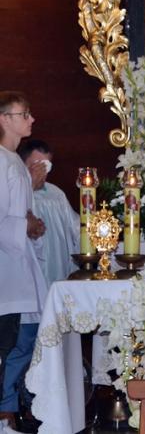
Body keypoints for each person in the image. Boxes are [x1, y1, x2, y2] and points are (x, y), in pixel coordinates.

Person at [0, 92, 47, 429]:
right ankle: (4, 414)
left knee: (25, 342)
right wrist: (24, 226)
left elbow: (20, 214)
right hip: (7, 272)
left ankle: (10, 410)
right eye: (24, 114)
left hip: (22, 268)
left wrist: (33, 226)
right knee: (11, 346)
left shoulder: (14, 160)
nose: (31, 119)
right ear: (4, 119)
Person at [17, 139, 79, 286]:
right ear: (22, 165)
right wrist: (30, 184)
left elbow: (75, 226)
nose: (42, 172)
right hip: (29, 272)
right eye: (36, 166)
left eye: (46, 166)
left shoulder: (56, 193)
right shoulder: (15, 191)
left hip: (59, 268)